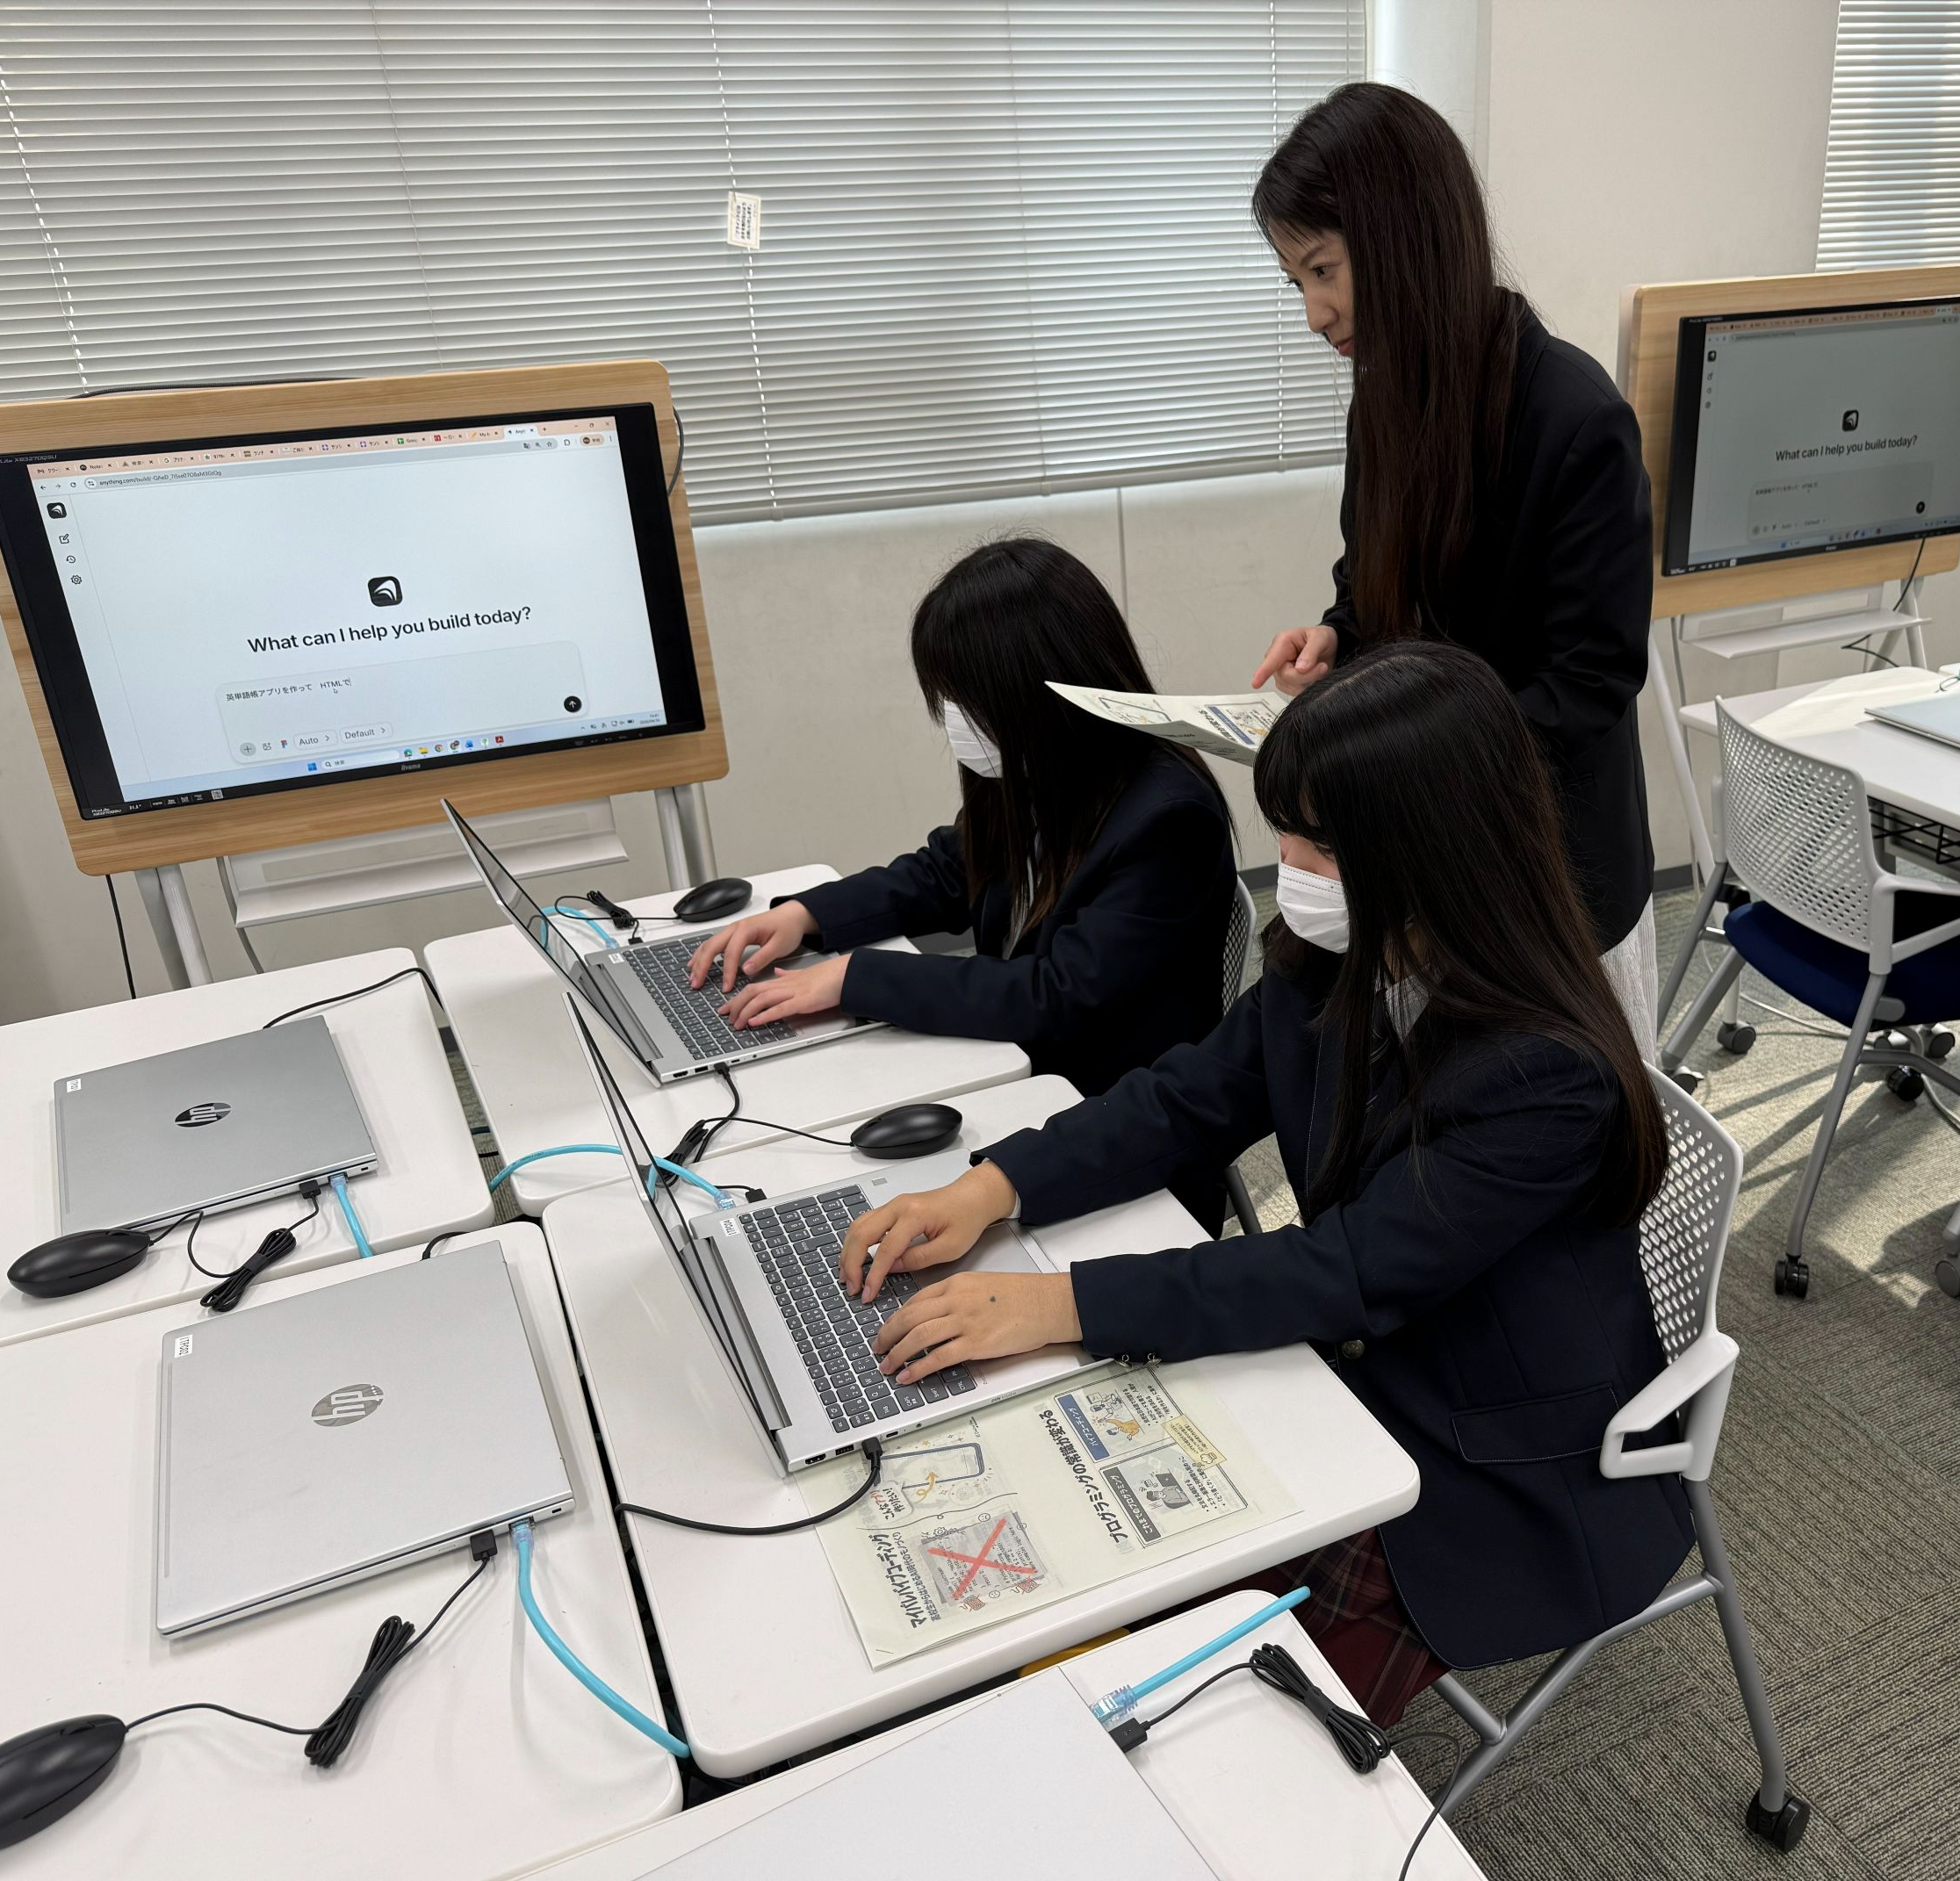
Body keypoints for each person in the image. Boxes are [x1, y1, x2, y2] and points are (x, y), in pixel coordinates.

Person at [835, 641, 1690, 1726]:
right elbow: (1185, 1097)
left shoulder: (1543, 1074)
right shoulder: (1345, 955)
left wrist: (1062, 1304)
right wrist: (994, 1186)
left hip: (1495, 1465)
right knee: (1070, 1571)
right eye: (1284, 828)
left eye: (1320, 843)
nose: (1288, 865)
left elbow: (1345, 1269)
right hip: (1355, 1368)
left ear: (1434, 848)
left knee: (1180, 1702)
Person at [1246, 82, 1662, 1026]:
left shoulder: (1574, 418)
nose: (1314, 313)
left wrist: (1414, 754)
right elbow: (1371, 587)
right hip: (1426, 855)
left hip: (1549, 876)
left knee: (1553, 1108)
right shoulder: (1385, 398)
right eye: (1297, 282)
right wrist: (1337, 638)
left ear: (1404, 234)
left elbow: (1588, 687)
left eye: (1323, 270)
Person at [688, 536, 1237, 1115]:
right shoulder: (1043, 763)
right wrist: (806, 915)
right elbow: (949, 870)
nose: (954, 718)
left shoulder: (1169, 819)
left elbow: (1060, 995)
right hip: (1020, 1059)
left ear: (1034, 695)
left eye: (967, 698)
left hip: (1106, 1104)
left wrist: (856, 977)